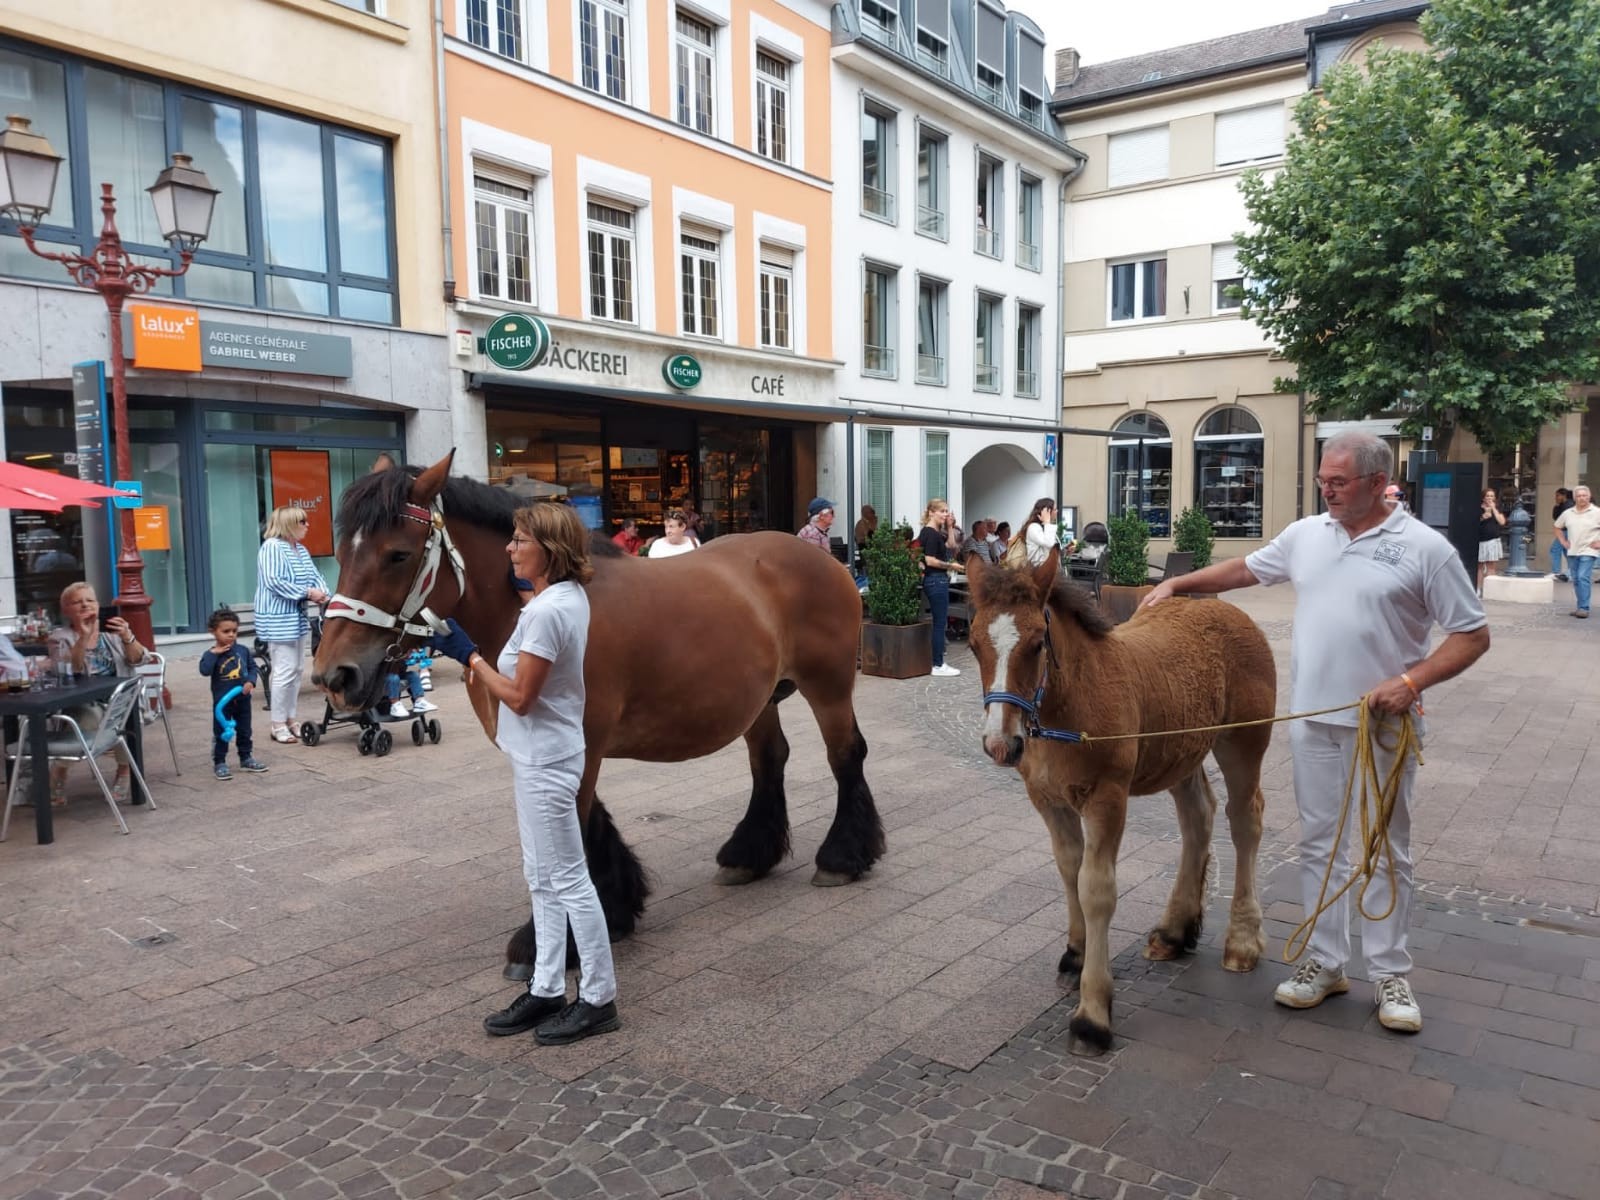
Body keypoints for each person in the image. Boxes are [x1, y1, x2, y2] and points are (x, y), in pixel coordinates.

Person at [1142, 431, 1488, 1034]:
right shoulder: (1308, 534)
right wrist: (1180, 582)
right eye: (1323, 479)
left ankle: (1389, 973)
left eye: (1339, 481)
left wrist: (1411, 681)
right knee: (1318, 845)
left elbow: (1472, 634)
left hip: (1385, 724)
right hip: (1313, 722)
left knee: (1386, 847)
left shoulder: (1424, 548)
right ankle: (1326, 963)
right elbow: (1247, 569)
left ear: (1378, 484)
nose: (1326, 489)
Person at [429, 502, 620, 1046]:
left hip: (547, 760)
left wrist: (469, 657)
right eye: (511, 538)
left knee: (569, 881)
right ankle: (546, 987)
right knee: (541, 876)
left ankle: (599, 997)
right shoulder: (559, 598)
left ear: (549, 550)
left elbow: (519, 697)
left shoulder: (547, 610)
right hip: (540, 756)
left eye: (519, 540)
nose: (509, 548)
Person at [47, 581, 148, 805]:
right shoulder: (59, 637)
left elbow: (139, 659)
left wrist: (127, 637)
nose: (85, 605)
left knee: (119, 715)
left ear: (98, 605)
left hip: (120, 700)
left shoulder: (112, 634)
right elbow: (67, 670)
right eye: (77, 602)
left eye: (90, 600)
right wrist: (83, 637)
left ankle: (124, 770)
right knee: (89, 715)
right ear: (66, 610)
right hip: (82, 702)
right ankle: (61, 770)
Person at [254, 506, 330, 744]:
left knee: (296, 670)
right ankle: (277, 723)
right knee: (284, 671)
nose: (307, 525)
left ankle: (290, 718)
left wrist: (323, 593)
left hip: (296, 615)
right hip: (279, 616)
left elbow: (315, 575)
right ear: (289, 524)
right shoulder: (272, 547)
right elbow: (274, 581)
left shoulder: (300, 550)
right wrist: (308, 592)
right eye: (302, 521)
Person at [199, 607, 268, 781]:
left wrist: (250, 681)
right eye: (226, 631)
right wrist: (213, 654)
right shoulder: (211, 654)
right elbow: (204, 670)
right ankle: (220, 762)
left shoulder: (242, 650)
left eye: (234, 631)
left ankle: (246, 758)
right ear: (213, 632)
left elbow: (252, 667)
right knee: (222, 731)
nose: (231, 635)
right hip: (222, 704)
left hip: (243, 700)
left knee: (245, 730)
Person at [917, 499, 963, 678]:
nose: (945, 514)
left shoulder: (936, 533)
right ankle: (937, 664)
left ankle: (938, 662)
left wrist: (950, 527)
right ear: (931, 512)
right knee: (939, 623)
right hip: (936, 580)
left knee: (939, 622)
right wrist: (952, 567)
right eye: (942, 511)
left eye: (946, 511)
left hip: (937, 580)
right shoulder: (929, 533)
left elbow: (951, 546)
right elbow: (929, 560)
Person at [1554, 484, 1600, 618]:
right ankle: (1580, 606)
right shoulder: (1568, 513)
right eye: (1579, 496)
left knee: (1582, 577)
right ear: (1574, 498)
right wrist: (1563, 541)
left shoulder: (1596, 512)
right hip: (1573, 551)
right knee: (1576, 579)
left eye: (1584, 495)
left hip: (1589, 550)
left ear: (1589, 497)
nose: (1582, 498)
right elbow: (1557, 527)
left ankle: (1584, 608)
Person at [384, 648, 438, 719]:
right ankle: (395, 704)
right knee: (394, 678)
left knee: (413, 675)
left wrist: (410, 656)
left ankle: (419, 701)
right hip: (385, 675)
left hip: (399, 672)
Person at [1022, 497, 1068, 567]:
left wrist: (1065, 551)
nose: (1057, 511)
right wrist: (1047, 521)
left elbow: (1050, 551)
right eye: (1055, 509)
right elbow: (1048, 543)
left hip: (1049, 571)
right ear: (1047, 512)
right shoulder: (1033, 527)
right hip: (1038, 572)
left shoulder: (1046, 527)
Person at [1477, 488, 1506, 594]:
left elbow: (1502, 522)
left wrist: (1494, 509)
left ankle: (1490, 591)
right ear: (1483, 498)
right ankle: (1478, 588)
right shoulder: (1478, 508)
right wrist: (1483, 516)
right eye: (1487, 496)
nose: (1489, 498)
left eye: (1492, 496)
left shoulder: (1497, 508)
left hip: (1493, 540)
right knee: (1479, 566)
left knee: (1491, 565)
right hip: (1480, 540)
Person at [1550, 487, 1574, 580]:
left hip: (1565, 531)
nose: (1556, 498)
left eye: (1557, 496)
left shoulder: (1567, 505)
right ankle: (1571, 573)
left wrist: (1556, 507)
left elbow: (1558, 518)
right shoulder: (1564, 505)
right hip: (1566, 531)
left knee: (1554, 550)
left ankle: (1556, 572)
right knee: (1567, 552)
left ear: (1563, 496)